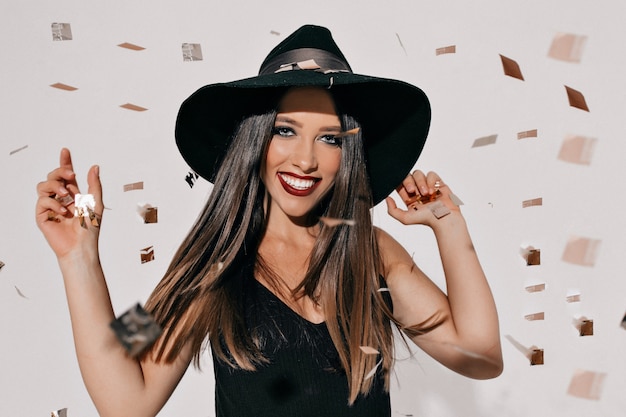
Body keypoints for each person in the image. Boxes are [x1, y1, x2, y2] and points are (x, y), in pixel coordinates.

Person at [35, 25, 502, 417]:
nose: (305, 160)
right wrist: (79, 260)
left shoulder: (371, 251)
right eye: (285, 131)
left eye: (330, 140)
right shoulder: (210, 260)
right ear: (255, 140)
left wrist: (449, 225)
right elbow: (125, 400)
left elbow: (481, 356)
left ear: (349, 154)